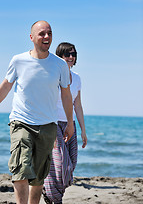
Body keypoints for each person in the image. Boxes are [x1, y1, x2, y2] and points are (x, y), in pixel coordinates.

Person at [0, 21, 74, 204]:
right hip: (21, 121)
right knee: (20, 169)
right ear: (32, 37)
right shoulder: (18, 60)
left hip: (48, 125)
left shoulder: (59, 65)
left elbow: (66, 94)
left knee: (39, 177)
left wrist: (70, 123)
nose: (47, 37)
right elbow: (6, 86)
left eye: (49, 33)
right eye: (42, 33)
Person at [43, 42, 87, 204]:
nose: (70, 57)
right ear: (59, 57)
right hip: (53, 125)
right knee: (62, 166)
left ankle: (49, 191)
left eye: (73, 54)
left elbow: (78, 105)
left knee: (72, 164)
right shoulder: (53, 75)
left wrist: (82, 130)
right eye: (67, 54)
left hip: (70, 124)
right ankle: (54, 197)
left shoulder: (77, 78)